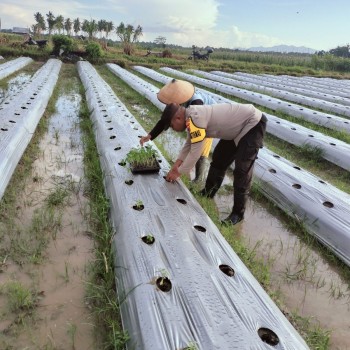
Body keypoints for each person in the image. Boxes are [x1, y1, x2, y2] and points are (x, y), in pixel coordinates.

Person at [162, 102, 267, 225]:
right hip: (236, 130)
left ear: (178, 118)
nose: (173, 128)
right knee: (219, 158)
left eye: (172, 125)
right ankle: (208, 192)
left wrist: (178, 173)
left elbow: (196, 152)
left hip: (252, 124)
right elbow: (189, 143)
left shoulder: (195, 118)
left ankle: (238, 214)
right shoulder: (190, 117)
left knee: (242, 171)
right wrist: (177, 164)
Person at [140, 78, 216, 183]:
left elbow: (198, 131)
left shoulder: (196, 102)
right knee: (190, 145)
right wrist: (150, 135)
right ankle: (184, 168)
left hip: (208, 124)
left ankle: (198, 179)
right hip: (196, 121)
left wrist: (178, 170)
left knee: (201, 151)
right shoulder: (178, 103)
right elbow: (165, 120)